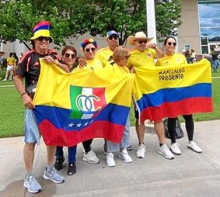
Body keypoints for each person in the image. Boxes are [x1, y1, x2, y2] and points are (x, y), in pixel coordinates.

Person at [13, 20, 64, 194]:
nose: (44, 42)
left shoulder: (54, 55)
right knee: (31, 142)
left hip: (52, 106)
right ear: (34, 41)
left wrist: (55, 63)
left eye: (47, 39)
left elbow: (68, 71)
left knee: (53, 140)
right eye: (40, 39)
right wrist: (24, 95)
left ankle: (50, 170)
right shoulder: (28, 57)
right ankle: (29, 177)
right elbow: (17, 77)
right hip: (34, 107)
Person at [127, 31, 174, 160]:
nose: (142, 43)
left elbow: (161, 55)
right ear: (135, 42)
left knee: (158, 117)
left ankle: (162, 144)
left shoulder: (150, 51)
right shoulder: (130, 55)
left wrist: (154, 46)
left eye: (144, 41)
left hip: (154, 89)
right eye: (139, 41)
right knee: (140, 118)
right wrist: (130, 71)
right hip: (139, 92)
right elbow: (124, 69)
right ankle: (141, 144)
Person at [156, 36, 202, 155]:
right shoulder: (161, 61)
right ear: (165, 45)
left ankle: (191, 141)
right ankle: (173, 143)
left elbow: (187, 73)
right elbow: (156, 77)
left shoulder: (181, 57)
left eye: (174, 44)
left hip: (183, 93)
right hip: (170, 94)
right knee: (172, 118)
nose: (172, 46)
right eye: (169, 43)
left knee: (188, 117)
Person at [105, 46, 133, 167]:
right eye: (126, 57)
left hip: (125, 102)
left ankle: (123, 149)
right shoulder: (111, 68)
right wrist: (129, 76)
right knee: (113, 127)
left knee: (125, 127)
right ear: (120, 56)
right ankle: (110, 152)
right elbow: (112, 83)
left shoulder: (126, 69)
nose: (127, 59)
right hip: (113, 103)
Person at [54, 46, 78, 175]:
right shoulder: (56, 69)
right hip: (58, 106)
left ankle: (72, 161)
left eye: (72, 56)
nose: (69, 58)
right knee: (59, 133)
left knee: (71, 134)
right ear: (62, 56)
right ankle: (59, 157)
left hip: (73, 107)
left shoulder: (80, 70)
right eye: (67, 55)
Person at [78, 38, 102, 164]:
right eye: (87, 50)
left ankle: (87, 147)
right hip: (86, 97)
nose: (91, 51)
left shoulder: (99, 61)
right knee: (87, 125)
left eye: (93, 49)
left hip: (98, 97)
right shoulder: (81, 64)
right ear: (84, 51)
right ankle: (87, 151)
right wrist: (78, 58)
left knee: (94, 125)